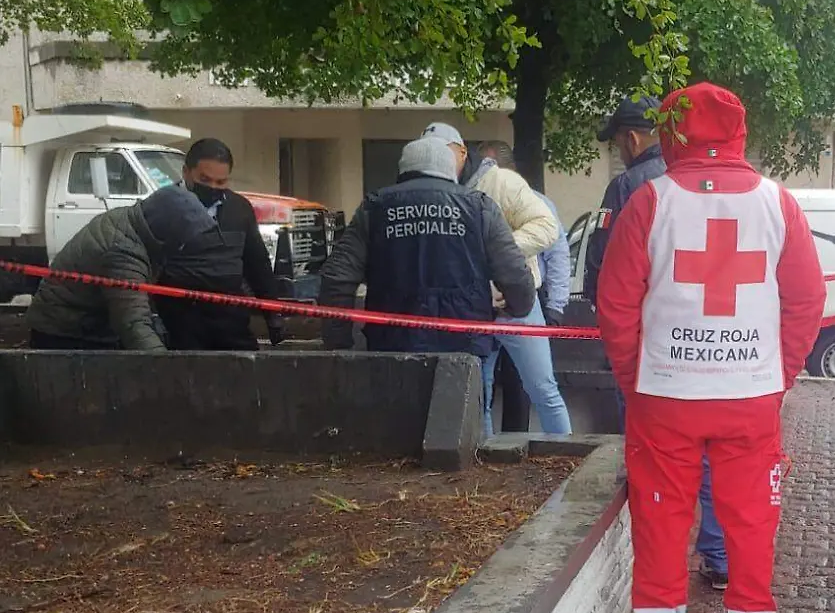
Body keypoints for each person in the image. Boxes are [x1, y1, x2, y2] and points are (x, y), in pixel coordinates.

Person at [597, 82, 827, 613]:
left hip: (664, 396)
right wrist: (777, 375)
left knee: (660, 520)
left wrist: (635, 380)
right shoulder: (780, 204)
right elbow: (807, 300)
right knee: (751, 525)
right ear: (738, 132)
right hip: (749, 396)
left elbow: (615, 305)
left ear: (672, 131)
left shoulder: (650, 201)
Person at [589, 97, 730, 590]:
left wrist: (624, 361)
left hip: (655, 352)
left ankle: (660, 573)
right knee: (713, 454)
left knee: (658, 463)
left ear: (631, 139)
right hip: (715, 345)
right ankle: (718, 555)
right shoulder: (714, 186)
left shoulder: (630, 187)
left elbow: (605, 274)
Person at [317, 137, 535, 354]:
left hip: (391, 345)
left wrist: (339, 341)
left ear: (403, 168)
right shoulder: (479, 207)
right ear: (451, 169)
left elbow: (337, 277)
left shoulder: (375, 208)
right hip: (464, 344)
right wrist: (516, 308)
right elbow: (514, 271)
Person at [420, 122, 571, 435]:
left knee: (542, 389)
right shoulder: (434, 191)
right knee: (477, 395)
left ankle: (570, 458)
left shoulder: (501, 181)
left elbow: (547, 228)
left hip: (518, 304)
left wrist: (496, 252)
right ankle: (483, 467)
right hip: (472, 306)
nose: (433, 160)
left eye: (440, 152)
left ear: (461, 153)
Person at [26, 185, 218, 351]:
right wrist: (164, 371)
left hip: (79, 323)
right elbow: (132, 323)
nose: (183, 246)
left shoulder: (132, 222)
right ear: (167, 232)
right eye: (181, 240)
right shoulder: (124, 252)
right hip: (65, 334)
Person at [156, 138, 286, 350]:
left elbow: (256, 263)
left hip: (229, 317)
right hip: (178, 319)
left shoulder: (239, 209)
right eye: (205, 180)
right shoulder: (162, 207)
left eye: (221, 182)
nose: (212, 188)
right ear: (186, 173)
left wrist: (272, 313)